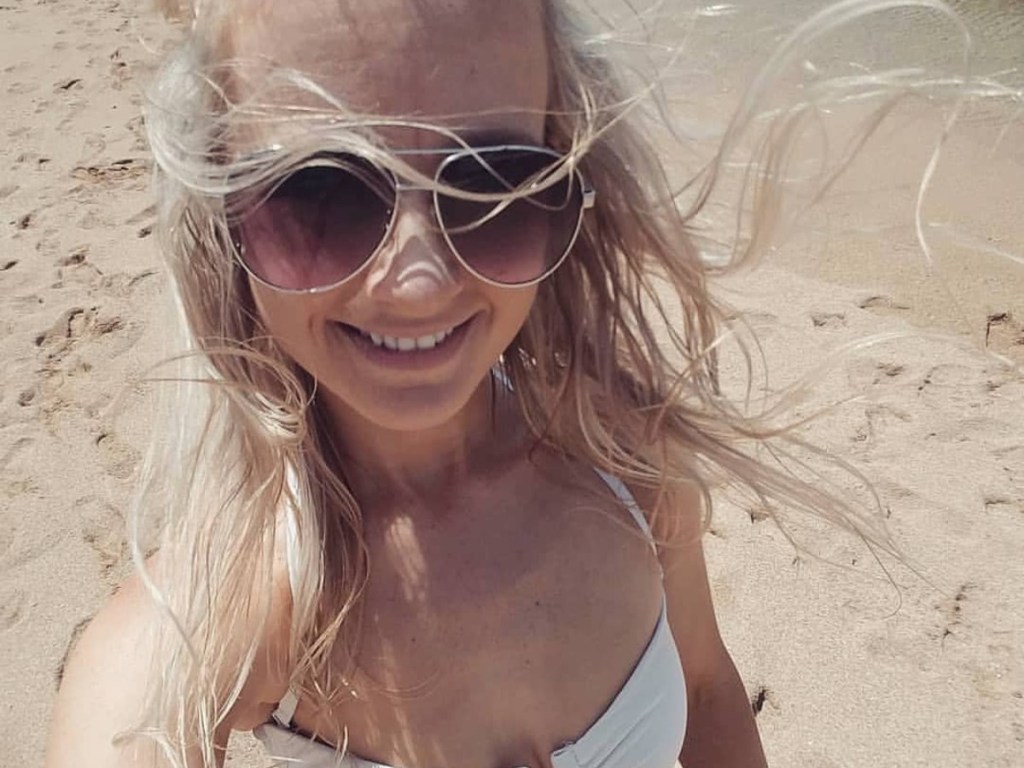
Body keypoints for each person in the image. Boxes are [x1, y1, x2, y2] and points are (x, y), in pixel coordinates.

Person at [43, 0, 907, 766]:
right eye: (320, 196)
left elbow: (710, 691)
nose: (418, 283)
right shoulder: (228, 610)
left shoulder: (624, 455)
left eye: (493, 185)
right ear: (219, 214)